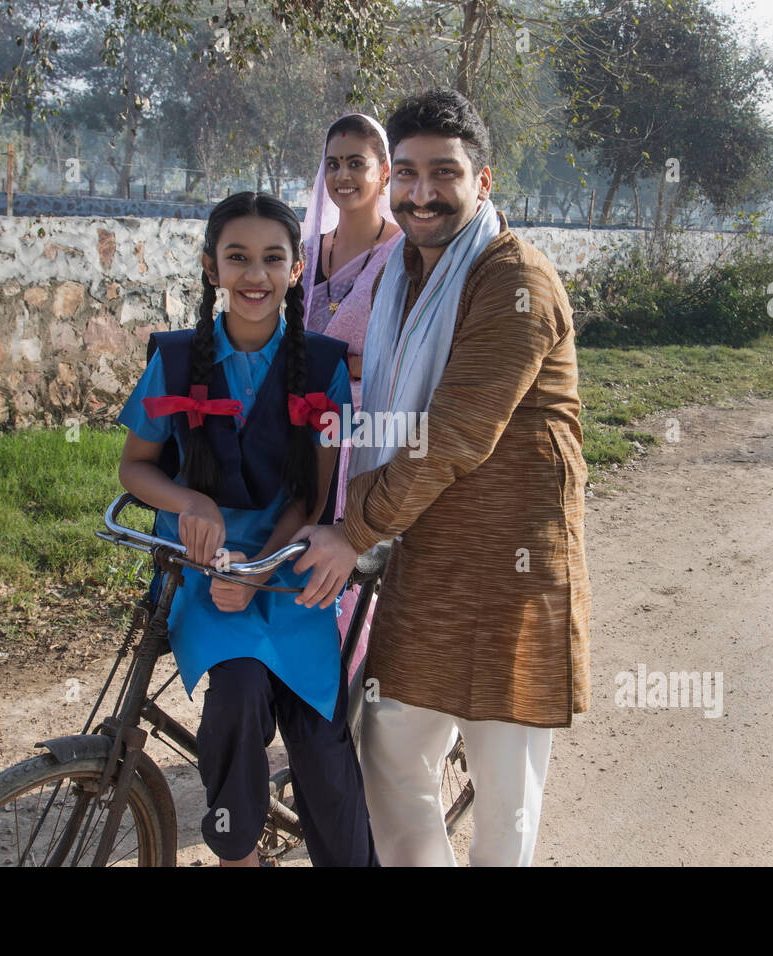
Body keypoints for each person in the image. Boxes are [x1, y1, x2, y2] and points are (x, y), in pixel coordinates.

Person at [289, 89, 593, 866]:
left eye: (445, 174)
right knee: (387, 756)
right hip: (425, 556)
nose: (423, 193)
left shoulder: (514, 281)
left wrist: (352, 529)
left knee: (504, 803)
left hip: (511, 569)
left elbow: (455, 431)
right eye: (411, 174)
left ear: (482, 181)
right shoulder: (401, 277)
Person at [116, 191, 378, 867]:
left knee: (321, 745)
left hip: (289, 567)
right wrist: (190, 504)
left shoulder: (321, 367)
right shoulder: (174, 361)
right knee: (235, 694)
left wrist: (262, 566)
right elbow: (135, 469)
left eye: (272, 258)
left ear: (296, 271)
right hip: (202, 573)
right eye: (238, 258)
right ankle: (238, 853)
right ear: (212, 269)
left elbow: (312, 496)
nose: (254, 274)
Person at [300, 112, 402, 712]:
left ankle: (343, 709)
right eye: (332, 163)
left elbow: (407, 354)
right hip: (301, 429)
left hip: (364, 429)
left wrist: (337, 367)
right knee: (298, 554)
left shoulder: (404, 255)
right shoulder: (308, 252)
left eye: (356, 163)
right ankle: (306, 693)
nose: (342, 175)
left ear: (383, 171)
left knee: (350, 570)